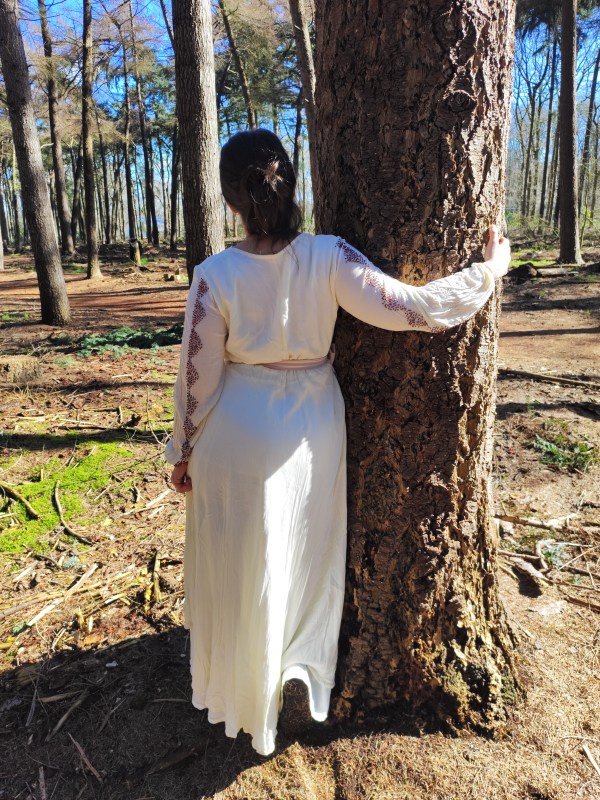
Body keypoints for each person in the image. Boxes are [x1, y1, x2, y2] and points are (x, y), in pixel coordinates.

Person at [166, 128, 511, 756]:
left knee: (239, 562)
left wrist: (182, 451)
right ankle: (294, 670)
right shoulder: (328, 256)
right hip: (309, 429)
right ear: (289, 183)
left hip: (235, 436)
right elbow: (412, 309)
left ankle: (242, 687)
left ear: (230, 200)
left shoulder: (214, 275)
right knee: (302, 553)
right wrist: (487, 272)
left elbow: (198, 380)